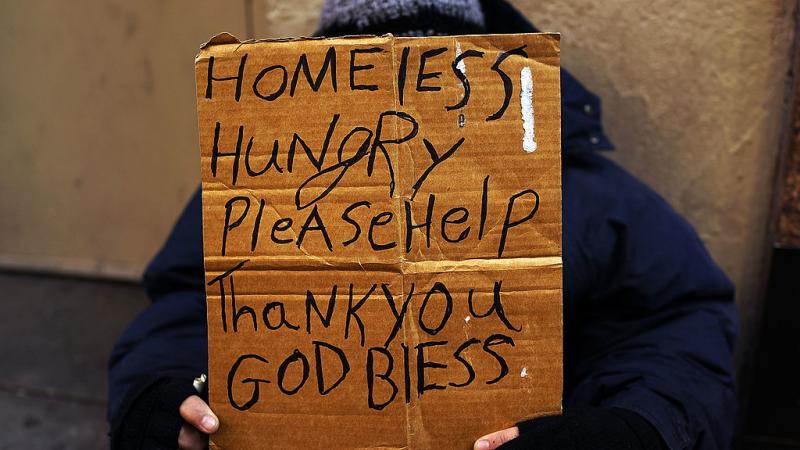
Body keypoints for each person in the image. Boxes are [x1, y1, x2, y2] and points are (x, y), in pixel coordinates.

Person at [107, 1, 738, 449]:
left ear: (476, 76)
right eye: (366, 86)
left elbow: (677, 323)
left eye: (431, 80)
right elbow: (190, 302)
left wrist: (636, 427)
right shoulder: (256, 183)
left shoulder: (582, 190)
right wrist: (157, 399)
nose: (400, 123)